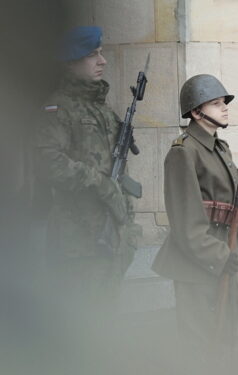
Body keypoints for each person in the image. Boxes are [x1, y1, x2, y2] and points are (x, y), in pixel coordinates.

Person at [36, 25, 140, 320]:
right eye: (92, 54)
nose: (102, 61)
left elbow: (118, 171)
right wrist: (98, 182)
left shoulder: (102, 109)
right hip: (80, 244)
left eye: (101, 52)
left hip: (111, 240)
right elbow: (49, 163)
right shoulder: (58, 108)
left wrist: (128, 227)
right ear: (71, 61)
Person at [152, 74, 238, 370]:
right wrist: (220, 256)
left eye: (225, 103)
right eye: (216, 103)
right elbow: (186, 222)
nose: (225, 109)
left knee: (225, 339)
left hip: (225, 259)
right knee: (199, 344)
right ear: (196, 112)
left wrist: (230, 258)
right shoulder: (183, 152)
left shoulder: (220, 149)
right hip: (199, 264)